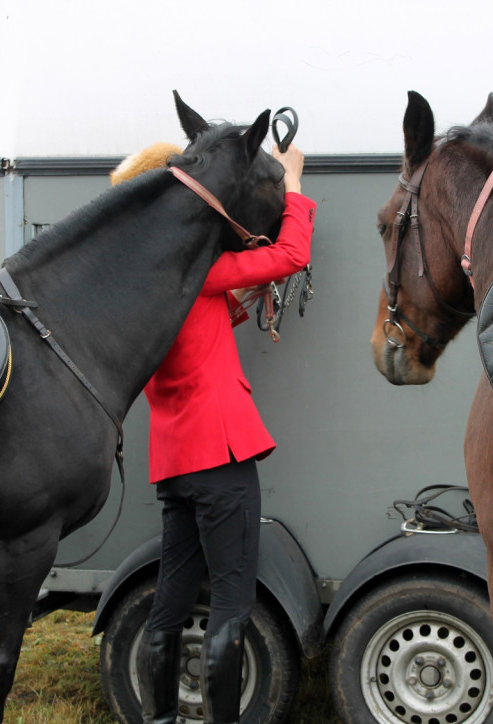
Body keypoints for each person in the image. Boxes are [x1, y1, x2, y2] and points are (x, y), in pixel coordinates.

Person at [136, 143, 315, 724]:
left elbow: (206, 319)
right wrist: (291, 181)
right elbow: (290, 253)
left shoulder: (145, 282)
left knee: (169, 607)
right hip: (222, 454)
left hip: (174, 462)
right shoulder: (201, 271)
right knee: (232, 608)